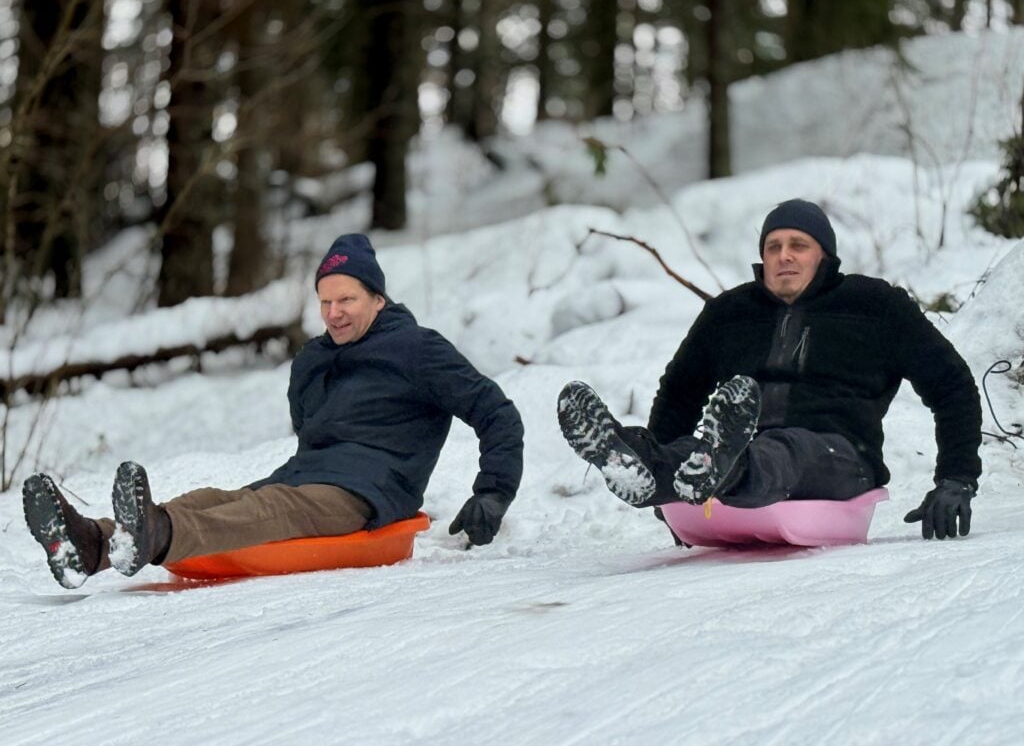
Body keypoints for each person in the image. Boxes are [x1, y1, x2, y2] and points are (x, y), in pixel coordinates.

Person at [24, 233, 524, 589]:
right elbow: (307, 430)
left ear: (378, 297)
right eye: (325, 302)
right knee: (210, 498)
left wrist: (494, 492)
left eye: (347, 298)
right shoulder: (317, 357)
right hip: (307, 476)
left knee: (268, 510)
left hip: (369, 491)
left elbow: (496, 412)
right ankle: (92, 544)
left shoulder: (419, 350)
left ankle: (155, 536)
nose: (334, 313)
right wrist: (315, 367)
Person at [558, 199, 982, 541]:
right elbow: (679, 393)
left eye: (798, 245)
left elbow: (952, 385)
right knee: (689, 449)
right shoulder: (730, 313)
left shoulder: (874, 307)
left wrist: (956, 479)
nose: (784, 256)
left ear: (825, 255)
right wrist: (667, 504)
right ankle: (644, 462)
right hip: (738, 451)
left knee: (785, 449)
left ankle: (718, 468)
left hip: (840, 458)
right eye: (773, 246)